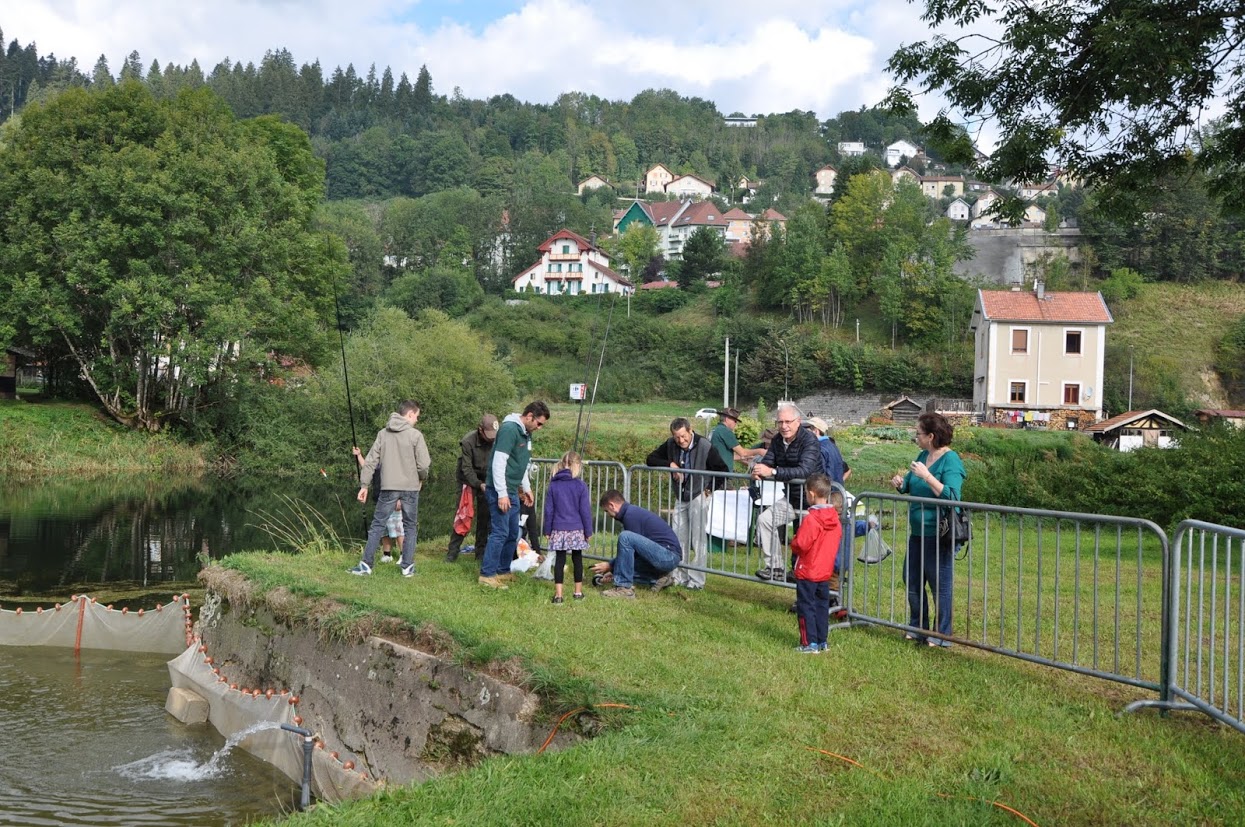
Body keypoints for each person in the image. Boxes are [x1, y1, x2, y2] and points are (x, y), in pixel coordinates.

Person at [890, 411, 967, 647]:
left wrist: (927, 477)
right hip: (917, 533)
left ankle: (942, 635)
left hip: (939, 535)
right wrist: (901, 484)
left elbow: (952, 496)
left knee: (939, 585)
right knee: (912, 580)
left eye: (919, 433)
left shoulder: (951, 460)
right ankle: (918, 627)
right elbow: (912, 484)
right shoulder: (923, 455)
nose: (916, 437)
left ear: (931, 436)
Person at [645, 417, 730, 590]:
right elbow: (650, 459)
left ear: (690, 431)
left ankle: (697, 580)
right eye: (677, 437)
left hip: (699, 494)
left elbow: (722, 470)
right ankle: (679, 576)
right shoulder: (670, 444)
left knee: (698, 539)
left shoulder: (705, 445)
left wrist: (709, 489)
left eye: (684, 436)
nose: (681, 440)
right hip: (681, 495)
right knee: (678, 537)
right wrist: (670, 464)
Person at [350, 400, 431, 578]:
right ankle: (407, 567)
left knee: (377, 525)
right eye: (416, 416)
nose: (417, 420)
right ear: (410, 414)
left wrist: (364, 485)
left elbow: (370, 462)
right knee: (410, 527)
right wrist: (421, 478)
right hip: (410, 488)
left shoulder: (382, 434)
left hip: (387, 488)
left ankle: (366, 565)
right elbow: (424, 465)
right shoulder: (415, 435)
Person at [479, 401, 550, 589]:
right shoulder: (510, 430)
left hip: (512, 490)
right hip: (500, 490)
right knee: (500, 532)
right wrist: (501, 494)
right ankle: (487, 574)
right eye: (539, 423)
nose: (539, 428)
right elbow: (499, 462)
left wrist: (526, 488)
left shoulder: (526, 433)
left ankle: (503, 570)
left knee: (512, 532)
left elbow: (521, 464)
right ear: (529, 416)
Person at [750, 403, 822, 581]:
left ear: (798, 421)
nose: (784, 426)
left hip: (814, 501)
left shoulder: (810, 440)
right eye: (780, 422)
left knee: (808, 544)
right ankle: (775, 567)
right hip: (791, 497)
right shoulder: (777, 440)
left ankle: (813, 582)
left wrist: (773, 472)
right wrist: (758, 470)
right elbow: (768, 461)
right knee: (765, 520)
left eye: (788, 422)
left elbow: (804, 471)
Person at [592, 490, 682, 599]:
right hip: (667, 557)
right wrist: (615, 571)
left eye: (606, 511)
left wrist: (610, 565)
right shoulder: (631, 512)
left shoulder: (630, 515)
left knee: (625, 537)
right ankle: (659, 579)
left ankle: (624, 589)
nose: (608, 515)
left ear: (612, 505)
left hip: (668, 556)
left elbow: (634, 552)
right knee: (624, 568)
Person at [791, 473, 842, 654]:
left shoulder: (812, 519)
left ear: (811, 494)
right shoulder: (835, 520)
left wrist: (794, 541)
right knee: (821, 606)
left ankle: (809, 643)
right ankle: (822, 641)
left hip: (808, 570)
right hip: (824, 571)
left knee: (806, 607)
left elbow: (801, 544)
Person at [445, 414, 499, 564]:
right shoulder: (468, 441)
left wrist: (489, 483)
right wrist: (478, 484)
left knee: (485, 516)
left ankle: (480, 553)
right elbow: (467, 468)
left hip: (487, 479)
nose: (491, 439)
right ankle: (452, 553)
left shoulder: (497, 440)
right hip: (467, 479)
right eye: (488, 435)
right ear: (480, 429)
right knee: (463, 515)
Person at [542, 451, 593, 604]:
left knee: (560, 560)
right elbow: (585, 510)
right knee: (577, 559)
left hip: (558, 528)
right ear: (576, 465)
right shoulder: (580, 485)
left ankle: (558, 596)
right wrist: (588, 531)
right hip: (577, 528)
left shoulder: (553, 485)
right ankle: (578, 593)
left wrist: (547, 530)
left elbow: (549, 510)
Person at [352, 446, 397, 562]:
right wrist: (359, 455)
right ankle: (387, 554)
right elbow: (367, 467)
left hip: (393, 499)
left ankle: (404, 555)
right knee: (384, 528)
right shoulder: (377, 462)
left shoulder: (394, 463)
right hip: (379, 499)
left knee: (398, 528)